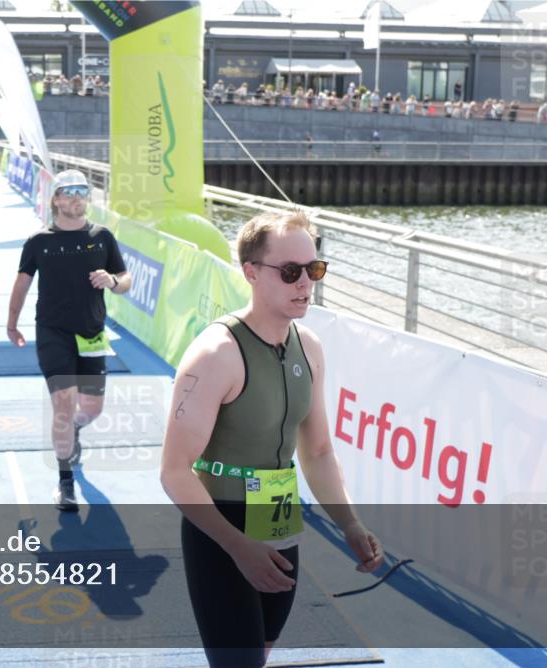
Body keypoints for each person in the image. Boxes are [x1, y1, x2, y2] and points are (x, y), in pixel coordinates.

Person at [160, 211, 384, 668]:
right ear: (250, 272)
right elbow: (174, 472)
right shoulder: (216, 354)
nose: (305, 283)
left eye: (314, 269)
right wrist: (236, 545)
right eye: (290, 271)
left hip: (278, 518)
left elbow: (318, 450)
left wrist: (350, 523)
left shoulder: (309, 346)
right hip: (221, 527)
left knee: (259, 654)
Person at [6, 170, 132, 512]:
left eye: (82, 190)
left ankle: (72, 429)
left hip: (91, 334)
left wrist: (112, 281)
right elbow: (22, 283)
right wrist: (12, 323)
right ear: (56, 199)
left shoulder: (102, 237)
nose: (77, 196)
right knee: (63, 401)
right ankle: (65, 482)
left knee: (91, 409)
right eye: (69, 191)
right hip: (53, 333)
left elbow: (125, 279)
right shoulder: (39, 241)